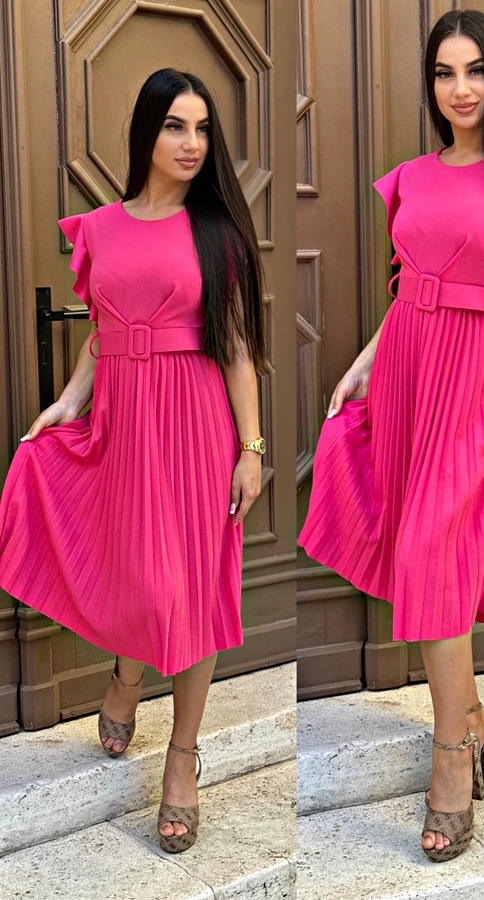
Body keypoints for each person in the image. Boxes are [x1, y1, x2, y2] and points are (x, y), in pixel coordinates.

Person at [299, 9, 484, 862]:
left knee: (432, 556)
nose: (460, 89)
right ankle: (475, 717)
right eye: (444, 73)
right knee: (418, 555)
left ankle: (451, 757)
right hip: (406, 370)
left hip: (474, 376)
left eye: (475, 71)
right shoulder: (411, 179)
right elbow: (407, 290)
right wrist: (362, 364)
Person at [0, 68, 267, 853]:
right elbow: (102, 332)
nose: (192, 143)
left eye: (203, 129)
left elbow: (238, 348)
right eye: (176, 126)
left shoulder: (216, 232)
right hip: (123, 420)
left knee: (190, 588)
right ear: (146, 132)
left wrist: (252, 448)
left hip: (196, 424)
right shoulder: (103, 228)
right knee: (134, 571)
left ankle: (182, 755)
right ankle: (126, 674)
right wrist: (69, 400)